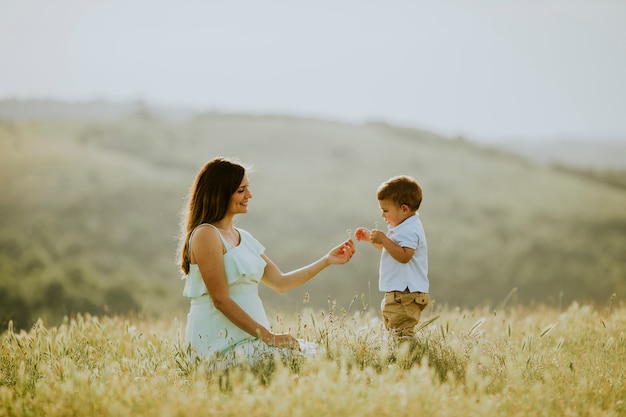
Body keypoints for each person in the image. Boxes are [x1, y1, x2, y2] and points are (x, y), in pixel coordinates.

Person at [178, 157, 355, 365]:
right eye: (241, 190)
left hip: (253, 340)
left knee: (320, 356)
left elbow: (280, 282)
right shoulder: (206, 234)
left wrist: (327, 260)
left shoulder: (243, 236)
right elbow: (220, 300)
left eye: (248, 188)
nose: (249, 195)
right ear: (221, 192)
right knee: (305, 361)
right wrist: (269, 336)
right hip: (219, 345)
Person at [354, 175, 430, 337]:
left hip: (406, 294)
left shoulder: (410, 230)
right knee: (394, 333)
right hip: (398, 294)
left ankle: (408, 360)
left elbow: (404, 256)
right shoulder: (403, 226)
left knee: (401, 335)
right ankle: (400, 358)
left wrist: (384, 239)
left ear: (404, 209)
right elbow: (392, 252)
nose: (383, 215)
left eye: (385, 210)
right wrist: (371, 239)